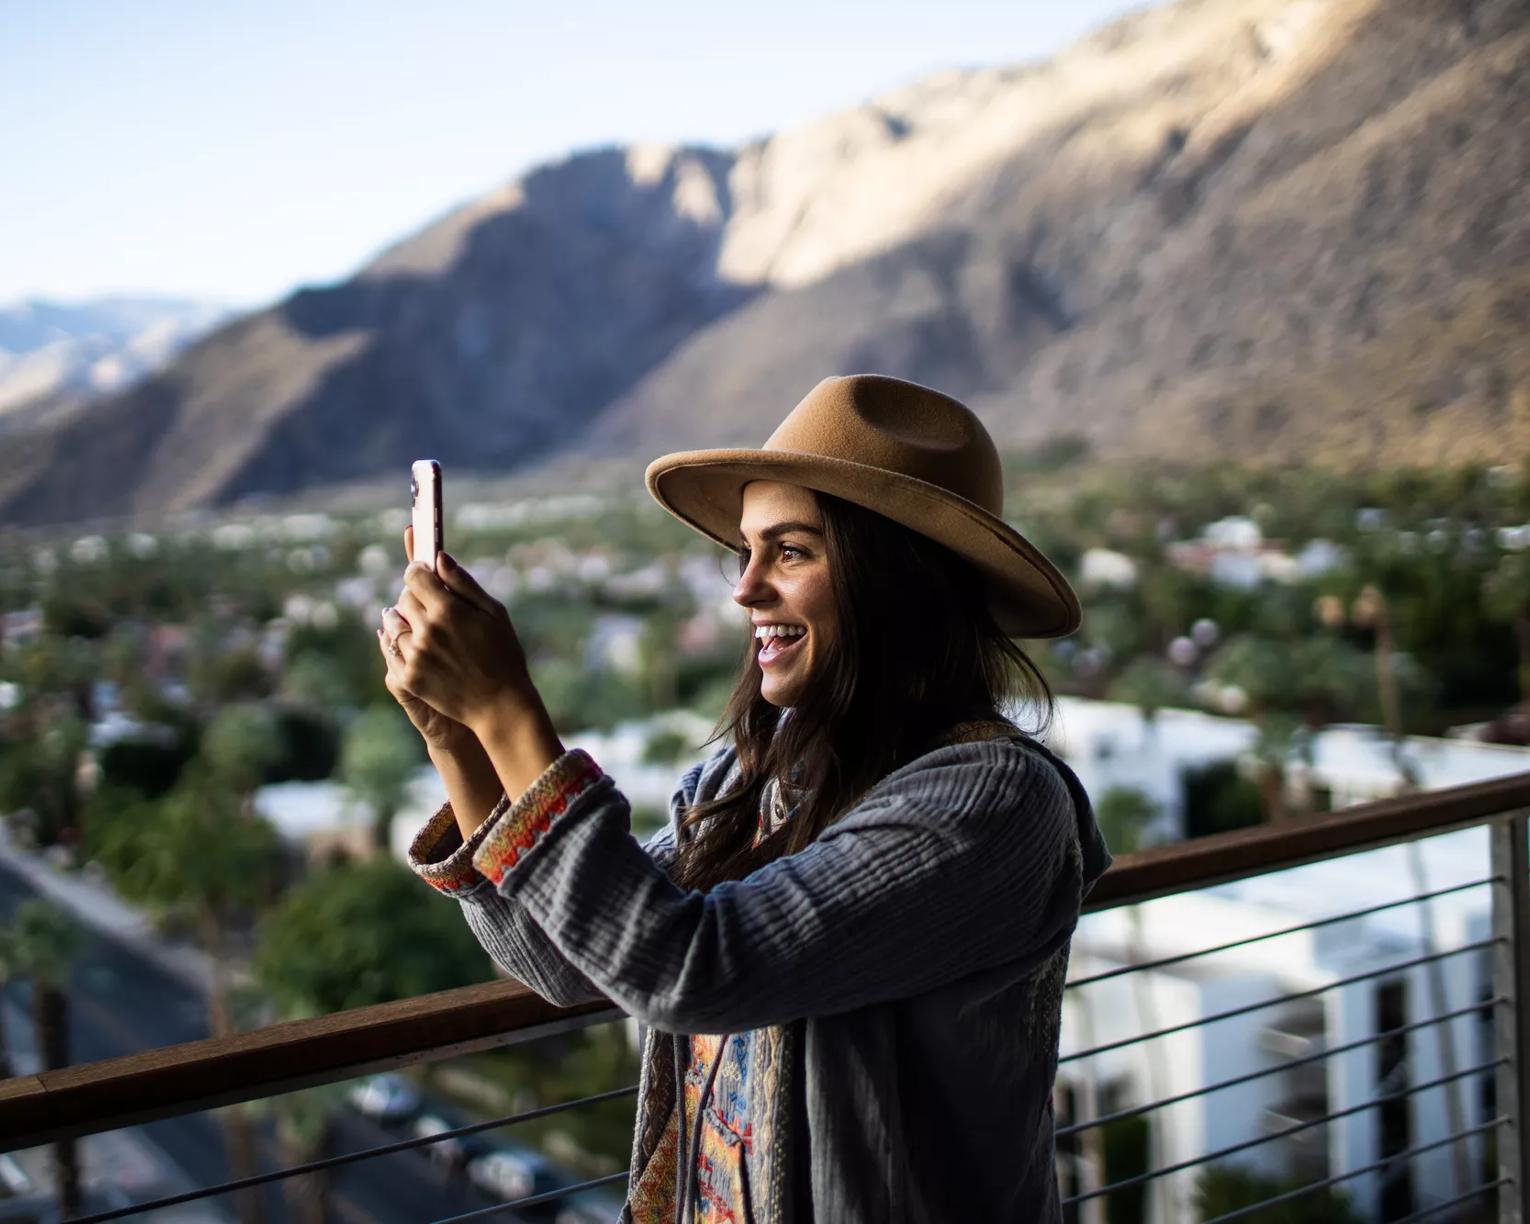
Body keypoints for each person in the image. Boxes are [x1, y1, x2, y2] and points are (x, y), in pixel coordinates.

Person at [381, 373, 1113, 1222]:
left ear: (900, 580)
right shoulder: (749, 781)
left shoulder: (994, 803)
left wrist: (508, 711)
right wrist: (457, 739)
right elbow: (562, 958)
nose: (745, 587)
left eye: (791, 551)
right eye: (746, 551)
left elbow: (691, 968)